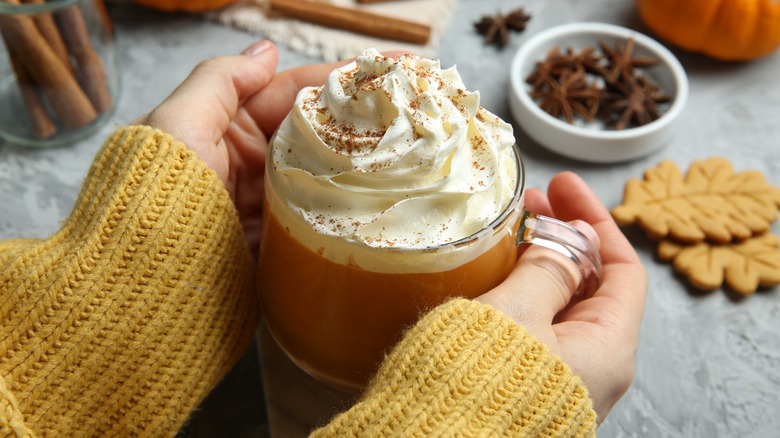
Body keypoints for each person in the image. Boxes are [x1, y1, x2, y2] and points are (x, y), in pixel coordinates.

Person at [0, 40, 647, 437]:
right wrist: (490, 409)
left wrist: (71, 337)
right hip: (294, 330)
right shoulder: (290, 162)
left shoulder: (488, 169)